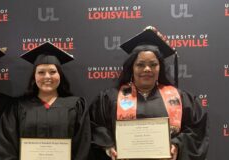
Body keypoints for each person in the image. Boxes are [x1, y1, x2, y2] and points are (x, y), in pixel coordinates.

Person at [89, 26, 209, 160]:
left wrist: (177, 144)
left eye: (153, 64)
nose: (147, 69)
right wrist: (108, 146)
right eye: (140, 64)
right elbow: (95, 127)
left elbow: (196, 131)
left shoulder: (179, 98)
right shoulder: (110, 98)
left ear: (160, 68)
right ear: (132, 68)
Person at [0, 42, 91, 160]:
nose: (47, 77)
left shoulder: (76, 106)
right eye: (41, 72)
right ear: (34, 77)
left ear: (60, 75)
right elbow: (6, 145)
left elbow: (82, 146)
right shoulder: (18, 107)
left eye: (52, 72)